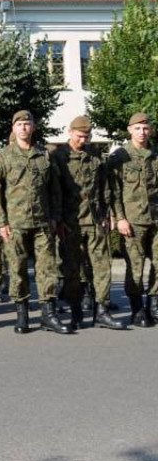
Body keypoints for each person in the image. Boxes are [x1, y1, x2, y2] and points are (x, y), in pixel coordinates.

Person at [0, 110, 70, 334]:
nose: (24, 128)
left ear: (33, 127)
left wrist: (55, 216)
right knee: (18, 269)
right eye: (20, 125)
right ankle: (22, 314)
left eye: (27, 124)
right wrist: (1, 221)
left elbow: (55, 189)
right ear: (13, 129)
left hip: (43, 223)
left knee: (48, 269)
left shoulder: (44, 155)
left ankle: (48, 314)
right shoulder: (4, 156)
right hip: (15, 224)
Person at [53, 115, 126, 330]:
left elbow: (105, 187)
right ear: (70, 132)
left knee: (102, 267)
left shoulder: (95, 155)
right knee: (72, 270)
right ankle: (76, 312)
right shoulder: (58, 157)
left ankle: (101, 311)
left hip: (95, 220)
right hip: (71, 222)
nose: (83, 140)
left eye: (86, 136)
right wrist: (57, 220)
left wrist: (108, 213)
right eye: (79, 136)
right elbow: (54, 192)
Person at [108, 111, 158, 327]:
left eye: (145, 128)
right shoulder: (120, 156)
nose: (142, 132)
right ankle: (137, 309)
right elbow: (114, 191)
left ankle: (153, 304)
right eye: (137, 128)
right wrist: (119, 218)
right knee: (135, 267)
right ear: (129, 130)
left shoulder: (156, 153)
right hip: (133, 220)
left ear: (151, 130)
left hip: (156, 219)